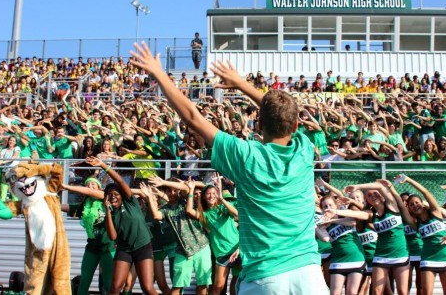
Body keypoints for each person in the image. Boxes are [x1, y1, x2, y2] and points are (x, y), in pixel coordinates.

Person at [130, 42, 327, 295]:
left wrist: (158, 73)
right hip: (309, 275)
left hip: (264, 278)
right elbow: (284, 115)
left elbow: (192, 117)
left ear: (258, 123)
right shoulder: (304, 149)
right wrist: (243, 85)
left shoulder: (245, 154)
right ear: (297, 123)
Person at [86, 156, 158, 295]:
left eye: (116, 194)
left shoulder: (130, 202)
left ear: (122, 195)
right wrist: (107, 210)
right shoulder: (111, 213)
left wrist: (103, 165)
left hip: (143, 247)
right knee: (115, 287)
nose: (113, 196)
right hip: (125, 249)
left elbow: (119, 180)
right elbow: (113, 236)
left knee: (147, 288)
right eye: (109, 195)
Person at [61, 178, 115, 295]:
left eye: (93, 184)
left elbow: (93, 193)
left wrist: (67, 187)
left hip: (108, 247)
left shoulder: (105, 199)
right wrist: (52, 204)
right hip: (92, 248)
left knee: (108, 283)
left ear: (99, 187)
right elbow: (69, 207)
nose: (89, 186)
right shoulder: (84, 205)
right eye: (87, 184)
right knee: (84, 282)